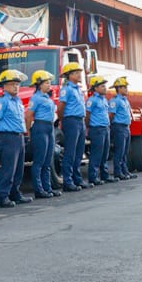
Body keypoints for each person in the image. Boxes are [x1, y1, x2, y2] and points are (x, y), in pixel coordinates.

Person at [0, 69, 33, 208]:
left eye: (17, 84)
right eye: (12, 84)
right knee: (8, 168)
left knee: (19, 168)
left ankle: (15, 193)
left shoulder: (17, 101)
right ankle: (2, 197)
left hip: (19, 136)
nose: (16, 86)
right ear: (4, 86)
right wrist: (0, 133)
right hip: (8, 137)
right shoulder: (2, 101)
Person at [25, 70, 61, 199]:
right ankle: (39, 190)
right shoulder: (35, 98)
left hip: (49, 127)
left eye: (49, 82)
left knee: (47, 160)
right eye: (46, 83)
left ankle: (48, 188)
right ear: (39, 84)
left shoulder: (47, 98)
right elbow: (29, 116)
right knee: (39, 161)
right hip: (40, 127)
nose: (49, 85)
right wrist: (29, 132)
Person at [57, 62, 91, 191]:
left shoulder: (78, 89)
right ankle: (68, 181)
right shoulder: (66, 89)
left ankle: (77, 179)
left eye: (79, 72)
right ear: (69, 75)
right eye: (76, 73)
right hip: (71, 121)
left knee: (79, 152)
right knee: (70, 152)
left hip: (80, 121)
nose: (79, 75)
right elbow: (60, 108)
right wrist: (63, 121)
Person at [85, 75, 117, 185]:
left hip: (105, 128)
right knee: (96, 154)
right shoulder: (92, 100)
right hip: (97, 129)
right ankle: (93, 177)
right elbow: (87, 115)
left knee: (105, 153)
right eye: (102, 86)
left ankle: (104, 175)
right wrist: (89, 127)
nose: (105, 88)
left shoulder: (104, 100)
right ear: (96, 88)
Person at [109, 76, 138, 180]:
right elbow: (111, 115)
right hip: (119, 127)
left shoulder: (125, 100)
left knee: (125, 151)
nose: (126, 89)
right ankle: (118, 172)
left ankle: (125, 171)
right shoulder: (115, 101)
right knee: (119, 151)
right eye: (124, 87)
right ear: (119, 88)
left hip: (126, 127)